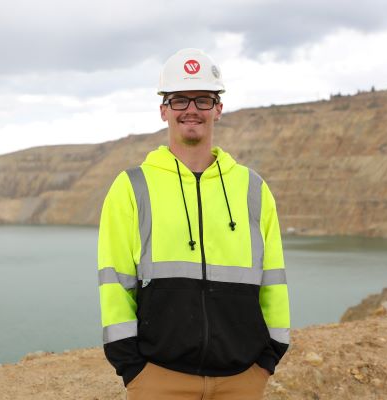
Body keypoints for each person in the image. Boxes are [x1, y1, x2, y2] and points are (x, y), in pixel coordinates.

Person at [97, 48, 290, 399]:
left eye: (203, 99)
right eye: (179, 99)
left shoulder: (253, 188)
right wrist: (132, 368)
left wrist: (269, 355)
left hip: (242, 378)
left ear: (218, 108)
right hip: (158, 379)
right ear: (163, 110)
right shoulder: (132, 187)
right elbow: (115, 283)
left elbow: (273, 278)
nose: (191, 110)